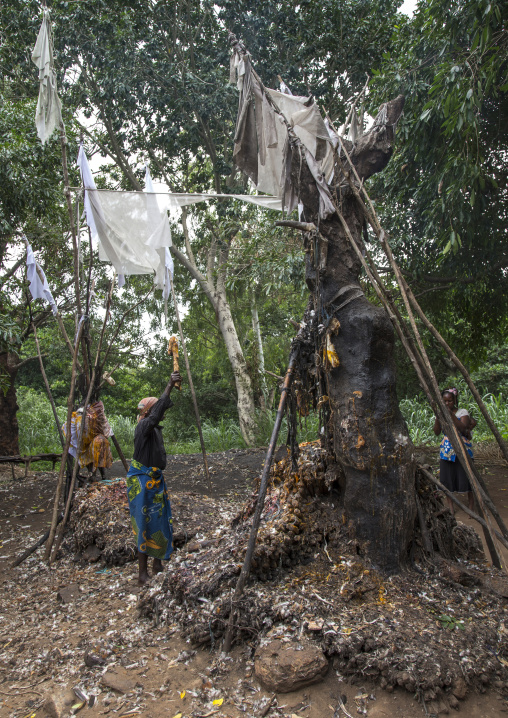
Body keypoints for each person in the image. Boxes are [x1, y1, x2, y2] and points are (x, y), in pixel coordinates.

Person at [126, 371, 182, 585]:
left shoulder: (153, 428)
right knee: (143, 525)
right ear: (149, 412)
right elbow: (156, 413)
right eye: (157, 410)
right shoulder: (143, 426)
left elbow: (159, 413)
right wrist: (169, 384)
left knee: (158, 521)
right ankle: (142, 573)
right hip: (141, 482)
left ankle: (157, 564)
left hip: (154, 480)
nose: (162, 414)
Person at [433, 387, 476, 514]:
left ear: (454, 400)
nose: (447, 404)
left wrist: (450, 414)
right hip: (447, 451)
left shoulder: (462, 412)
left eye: (450, 401)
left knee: (467, 478)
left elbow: (463, 429)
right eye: (444, 401)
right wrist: (438, 417)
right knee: (448, 478)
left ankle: (471, 506)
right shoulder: (441, 414)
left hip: (463, 449)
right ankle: (451, 507)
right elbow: (436, 432)